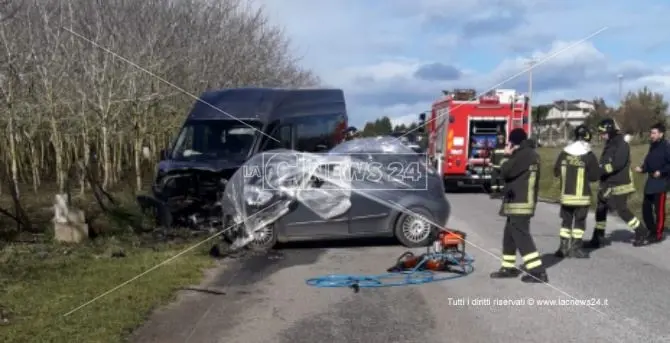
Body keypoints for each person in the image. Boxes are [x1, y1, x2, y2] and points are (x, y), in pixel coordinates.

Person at [490, 128, 548, 283]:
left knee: (522, 237)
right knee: (509, 236)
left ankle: (538, 271)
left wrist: (506, 156)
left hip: (520, 203)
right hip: (517, 202)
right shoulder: (528, 154)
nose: (509, 145)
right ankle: (508, 267)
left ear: (514, 142)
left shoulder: (524, 155)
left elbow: (505, 171)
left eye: (511, 142)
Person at [586, 118, 651, 248]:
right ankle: (597, 237)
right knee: (601, 208)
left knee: (621, 210)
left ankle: (641, 231)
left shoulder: (621, 143)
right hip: (607, 182)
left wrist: (601, 170)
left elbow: (618, 163)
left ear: (610, 130)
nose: (601, 135)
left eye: (603, 132)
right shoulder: (610, 143)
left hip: (619, 183)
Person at [552, 125, 600, 258]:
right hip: (582, 197)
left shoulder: (564, 152)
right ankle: (575, 249)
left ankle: (562, 248)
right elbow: (595, 176)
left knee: (565, 222)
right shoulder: (588, 155)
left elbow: (556, 172)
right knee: (579, 222)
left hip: (566, 196)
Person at [634, 122, 670, 242]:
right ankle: (651, 230)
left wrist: (662, 171)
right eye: (651, 133)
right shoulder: (652, 146)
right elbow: (648, 162)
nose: (651, 135)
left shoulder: (666, 146)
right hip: (650, 182)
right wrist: (642, 169)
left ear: (661, 134)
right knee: (646, 209)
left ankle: (658, 234)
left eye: (654, 133)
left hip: (661, 182)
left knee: (659, 211)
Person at [489, 132, 507, 198]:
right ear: (497, 139)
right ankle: (494, 193)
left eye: (502, 138)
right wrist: (490, 162)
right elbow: (492, 156)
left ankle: (502, 193)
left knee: (502, 180)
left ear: (504, 139)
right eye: (499, 138)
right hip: (495, 167)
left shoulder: (506, 147)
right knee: (493, 180)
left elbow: (508, 156)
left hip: (503, 167)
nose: (500, 140)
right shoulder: (495, 147)